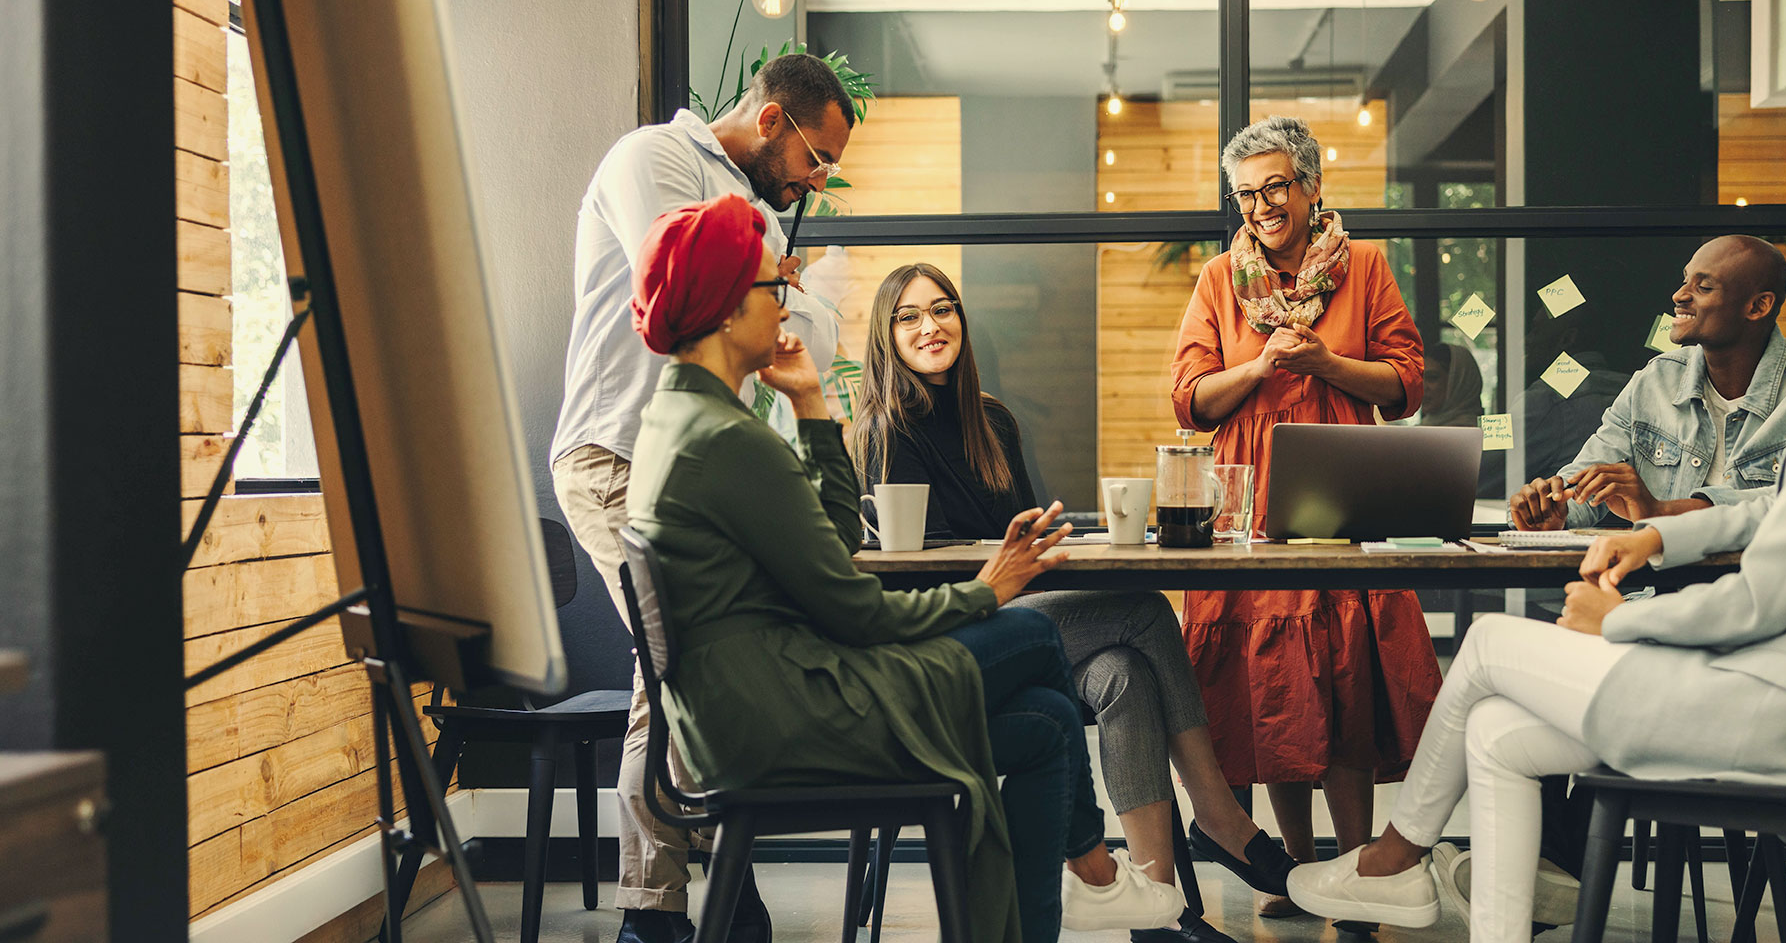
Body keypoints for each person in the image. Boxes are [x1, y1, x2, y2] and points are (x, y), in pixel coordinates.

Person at [1284, 184, 1786, 943]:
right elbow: (1784, 513)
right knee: (1492, 730)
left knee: (1486, 643)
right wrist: (1657, 537)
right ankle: (1442, 898)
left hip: (1785, 705)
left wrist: (1625, 619)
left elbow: (1767, 595)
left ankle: (1391, 863)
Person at [625, 195, 1184, 943]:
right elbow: (855, 607)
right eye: (772, 286)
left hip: (750, 713)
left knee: (1050, 724)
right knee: (1031, 640)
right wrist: (986, 592)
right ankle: (1096, 872)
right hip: (788, 719)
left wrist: (814, 406)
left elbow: (829, 540)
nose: (786, 301)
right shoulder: (727, 443)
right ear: (727, 308)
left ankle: (1082, 891)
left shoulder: (680, 423)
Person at [852, 262, 1300, 943]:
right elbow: (928, 576)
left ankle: (1159, 901)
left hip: (1016, 616)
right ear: (887, 336)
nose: (930, 326)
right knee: (1146, 610)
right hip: (954, 634)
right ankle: (1218, 814)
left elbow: (1022, 543)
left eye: (942, 310)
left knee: (1123, 672)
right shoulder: (887, 430)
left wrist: (1063, 541)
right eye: (908, 316)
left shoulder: (990, 422)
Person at [547, 53, 852, 943]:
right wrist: (778, 275)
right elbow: (693, 283)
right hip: (615, 457)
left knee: (703, 657)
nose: (819, 179)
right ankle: (656, 907)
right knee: (671, 661)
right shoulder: (652, 158)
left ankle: (715, 870)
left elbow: (789, 331)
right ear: (770, 123)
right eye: (815, 156)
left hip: (689, 463)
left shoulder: (754, 202)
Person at [1169, 115, 1438, 919]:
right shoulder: (1220, 280)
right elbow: (1188, 401)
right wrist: (1256, 366)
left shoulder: (1364, 266)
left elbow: (1407, 381)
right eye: (1246, 194)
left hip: (1345, 485)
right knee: (1271, 681)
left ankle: (1356, 867)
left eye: (1275, 187)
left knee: (1346, 671)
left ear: (1313, 186)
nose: (1260, 207)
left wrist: (1324, 362)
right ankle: (1295, 869)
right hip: (1249, 495)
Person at [1510, 234, 1786, 531]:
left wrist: (1661, 511)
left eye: (1703, 287)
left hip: (1759, 587)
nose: (1679, 295)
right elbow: (1588, 478)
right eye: (1685, 279)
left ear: (1757, 307)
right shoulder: (1656, 379)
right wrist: (1554, 507)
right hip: (1656, 588)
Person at [1420, 342, 1485, 428]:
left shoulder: (1476, 434)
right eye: (1419, 379)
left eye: (1432, 378)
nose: (1422, 387)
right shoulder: (1425, 427)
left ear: (1459, 382)